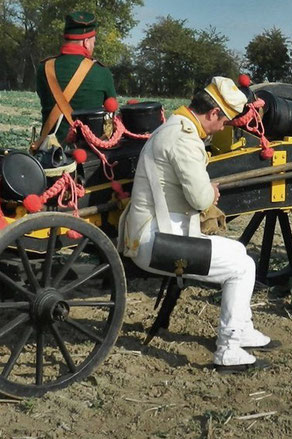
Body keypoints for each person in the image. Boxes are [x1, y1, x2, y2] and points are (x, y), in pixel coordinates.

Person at [119, 77, 274, 371]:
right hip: (158, 243)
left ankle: (241, 328)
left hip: (151, 233)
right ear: (213, 113)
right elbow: (202, 199)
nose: (224, 127)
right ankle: (228, 348)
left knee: (242, 256)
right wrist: (212, 190)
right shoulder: (185, 139)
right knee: (242, 267)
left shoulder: (175, 126)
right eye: (225, 121)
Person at [35, 11, 117, 145]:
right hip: (89, 155)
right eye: (93, 42)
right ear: (86, 42)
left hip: (49, 155)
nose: (93, 46)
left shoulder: (44, 69)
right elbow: (110, 115)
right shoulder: (102, 72)